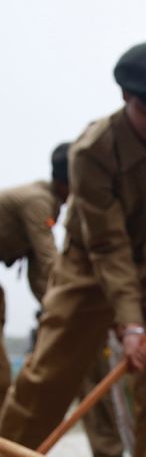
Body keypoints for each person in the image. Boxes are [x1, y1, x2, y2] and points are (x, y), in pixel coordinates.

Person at [0, 41, 146, 457]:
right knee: (49, 374)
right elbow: (109, 244)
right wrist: (129, 323)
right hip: (89, 265)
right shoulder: (91, 151)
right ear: (125, 100)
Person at [0, 144, 70, 406]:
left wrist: (56, 307)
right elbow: (48, 258)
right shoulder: (37, 202)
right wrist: (69, 302)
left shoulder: (47, 202)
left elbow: (40, 275)